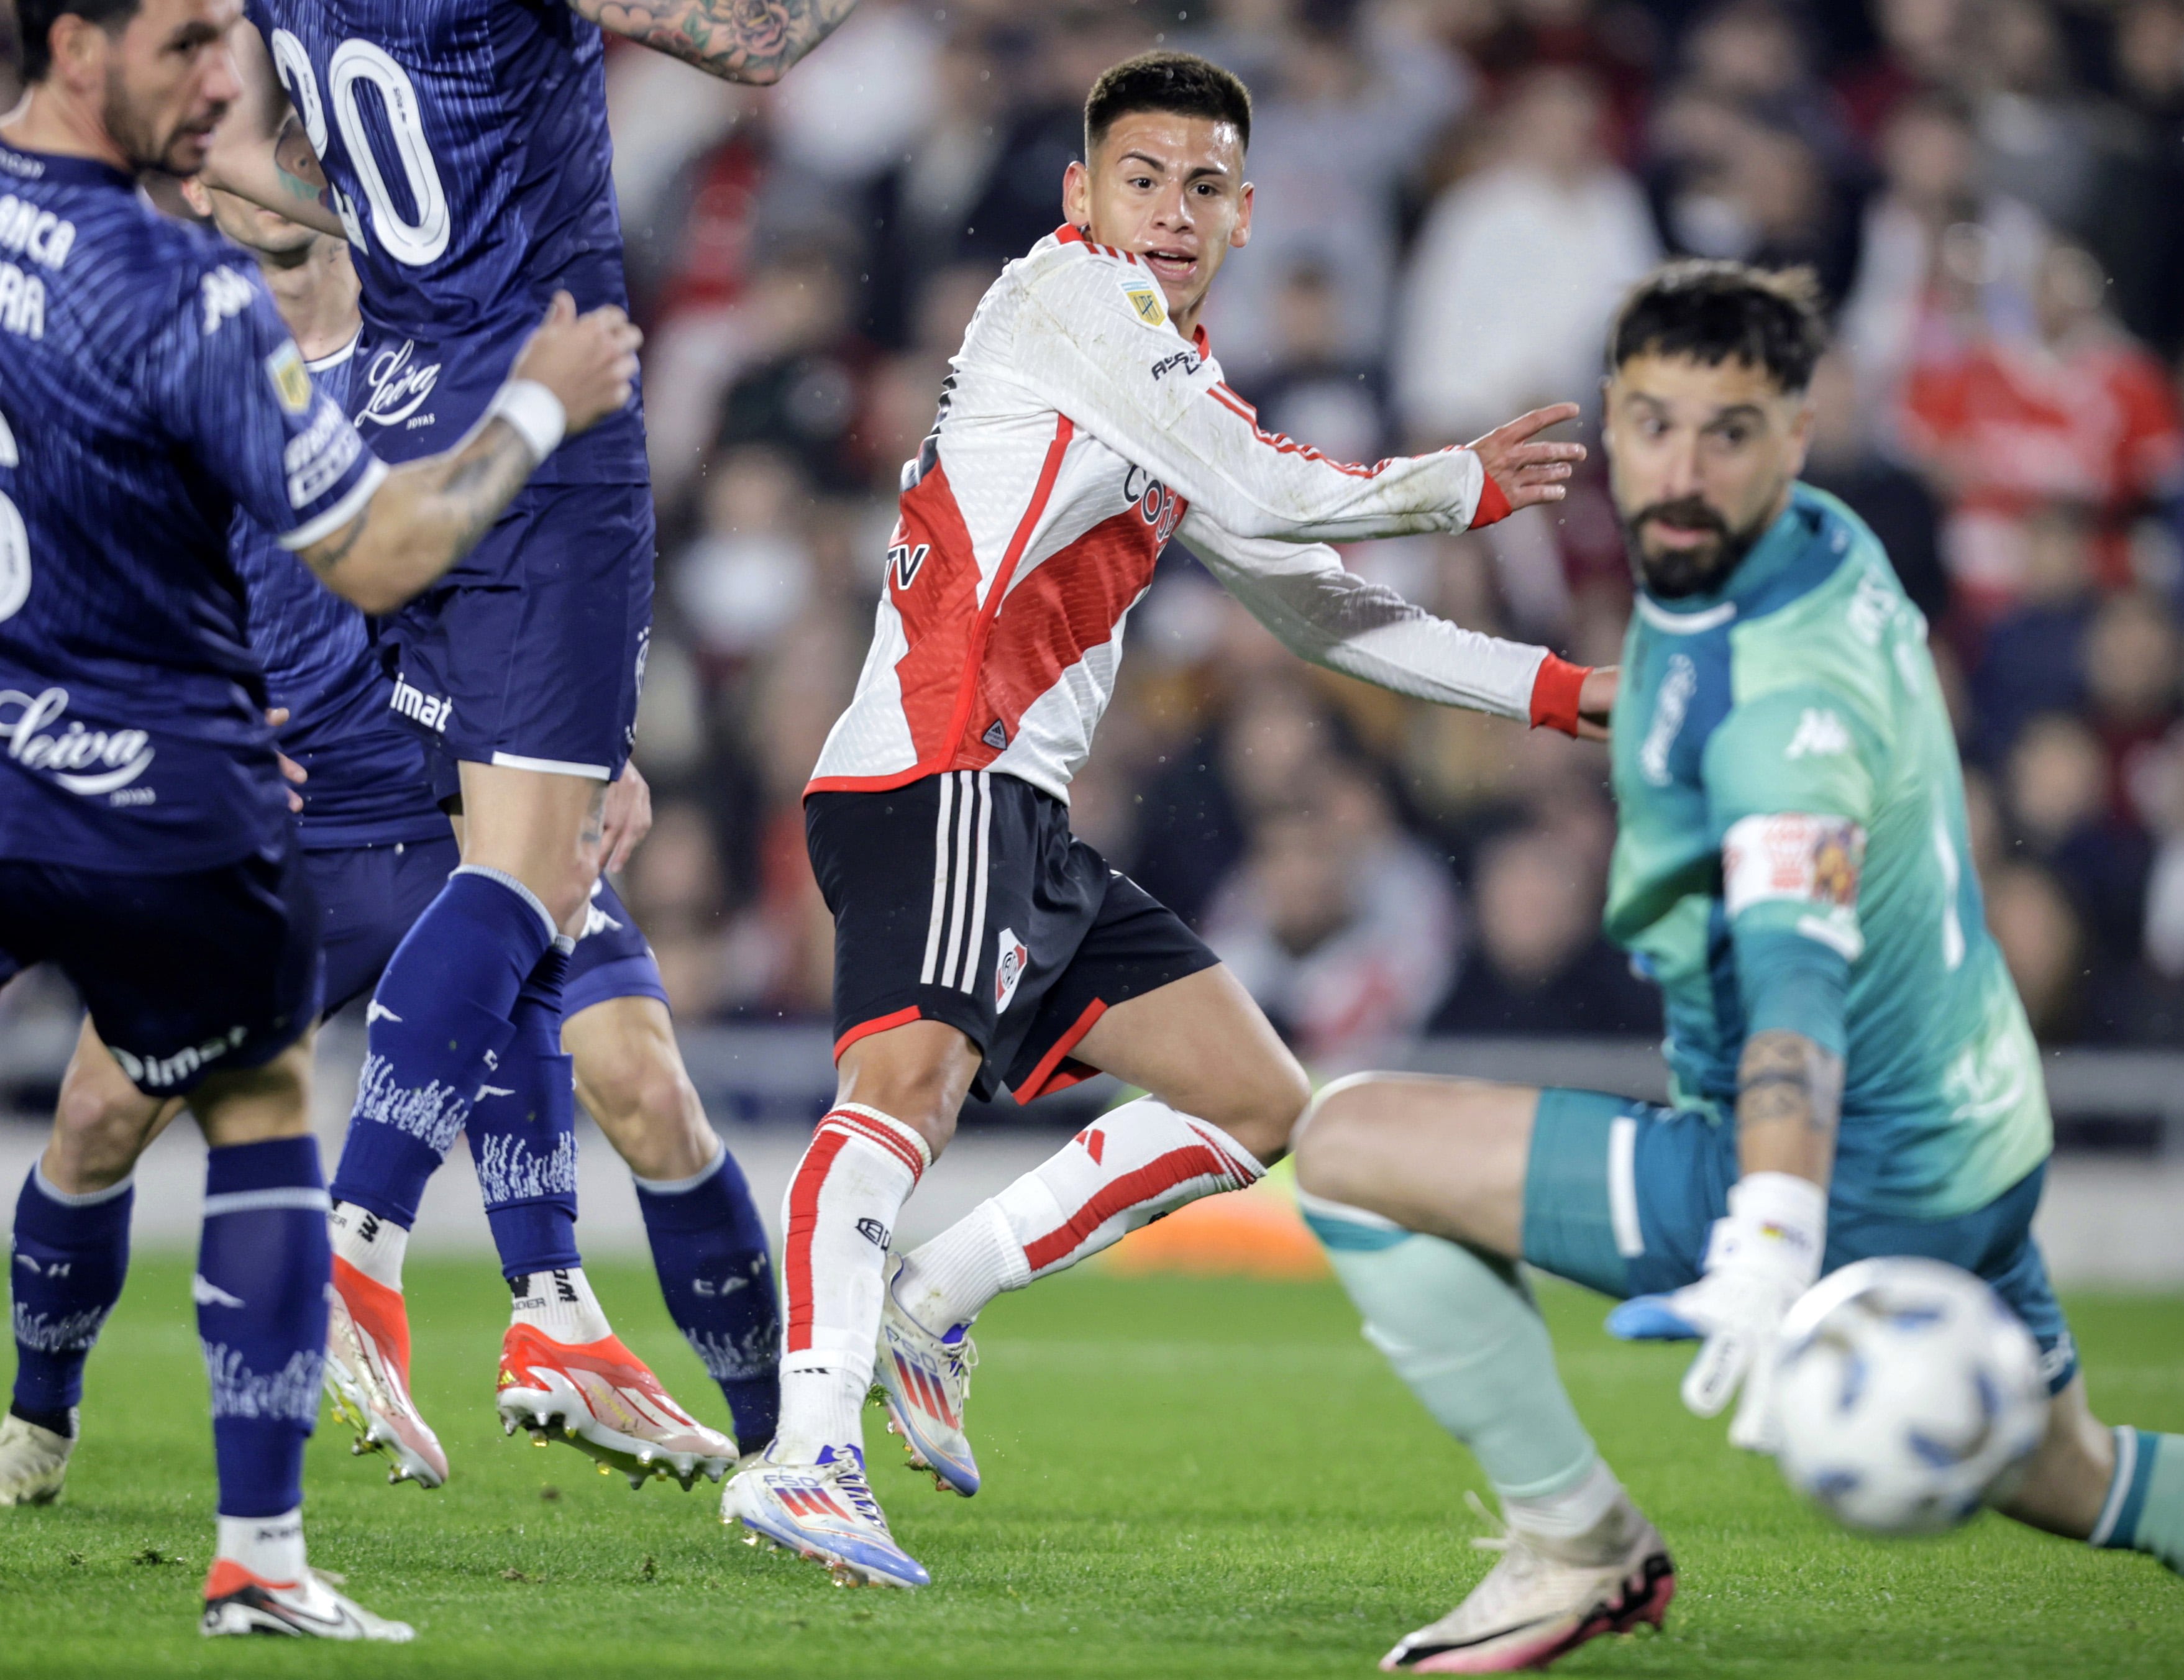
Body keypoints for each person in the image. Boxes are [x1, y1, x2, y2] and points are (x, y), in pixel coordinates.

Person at [1284, 261, 2184, 1680]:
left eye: (1725, 433)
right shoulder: (1822, 543)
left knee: (1347, 1143)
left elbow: (1794, 974)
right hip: (1973, 1126)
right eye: (1652, 422)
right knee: (2073, 1474)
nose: (1678, 470)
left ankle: (1575, 1542)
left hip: (1831, 1161)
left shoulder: (1775, 703)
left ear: (1792, 436)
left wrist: (1772, 1231)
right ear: (1609, 422)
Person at [721, 51, 1612, 1587]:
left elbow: (1327, 617)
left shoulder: (1169, 393)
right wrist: (1448, 482)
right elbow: (1272, 497)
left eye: (1204, 186)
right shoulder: (1068, 302)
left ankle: (936, 1298)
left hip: (1023, 812)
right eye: (1141, 179)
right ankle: (803, 1456)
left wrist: (1551, 692)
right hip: (934, 772)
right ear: (1082, 196)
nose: (1171, 212)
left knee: (1254, 1104)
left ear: (1247, 214)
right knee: (908, 1087)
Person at [0, 167, 777, 1507]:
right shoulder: (176, 354)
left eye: (280, 139)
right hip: (278, 825)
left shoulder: (444, 356)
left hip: (462, 800)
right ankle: (38, 1423)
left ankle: (788, 1446)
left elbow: (544, 582)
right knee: (93, 1120)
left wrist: (602, 745)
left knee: (647, 1088)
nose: (239, 167)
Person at [0, 0, 635, 1635]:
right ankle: (266, 1546)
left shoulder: (110, 252)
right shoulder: (185, 297)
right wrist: (546, 409)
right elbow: (377, 551)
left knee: (105, 1112)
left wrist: (566, 728)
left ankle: (35, 1423)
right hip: (139, 766)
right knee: (249, 1117)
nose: (220, 84)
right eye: (189, 53)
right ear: (81, 52)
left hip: (259, 778)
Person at [193, 0, 863, 1481]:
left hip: (426, 410)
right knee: (520, 884)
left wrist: (365, 216)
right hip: (539, 417)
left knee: (632, 1060)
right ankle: (358, 1254)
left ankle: (730, 1419)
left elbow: (241, 142)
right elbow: (756, 41)